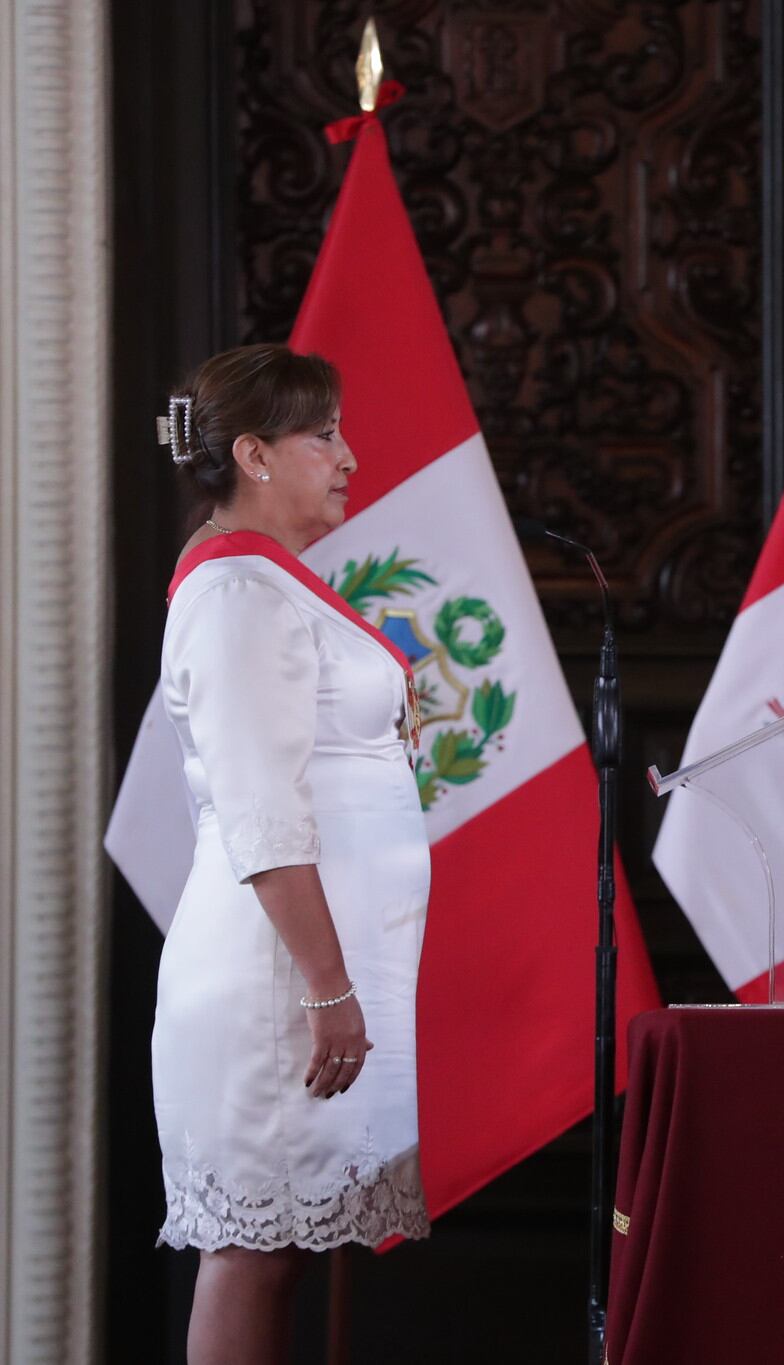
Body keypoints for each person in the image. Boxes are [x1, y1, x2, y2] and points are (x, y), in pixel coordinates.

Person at [152, 344, 430, 1364]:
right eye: (325, 436)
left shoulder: (274, 586)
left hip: (313, 975)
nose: (350, 457)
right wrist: (324, 987)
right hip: (275, 983)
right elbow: (261, 807)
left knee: (286, 1250)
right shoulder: (235, 598)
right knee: (252, 1250)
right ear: (254, 455)